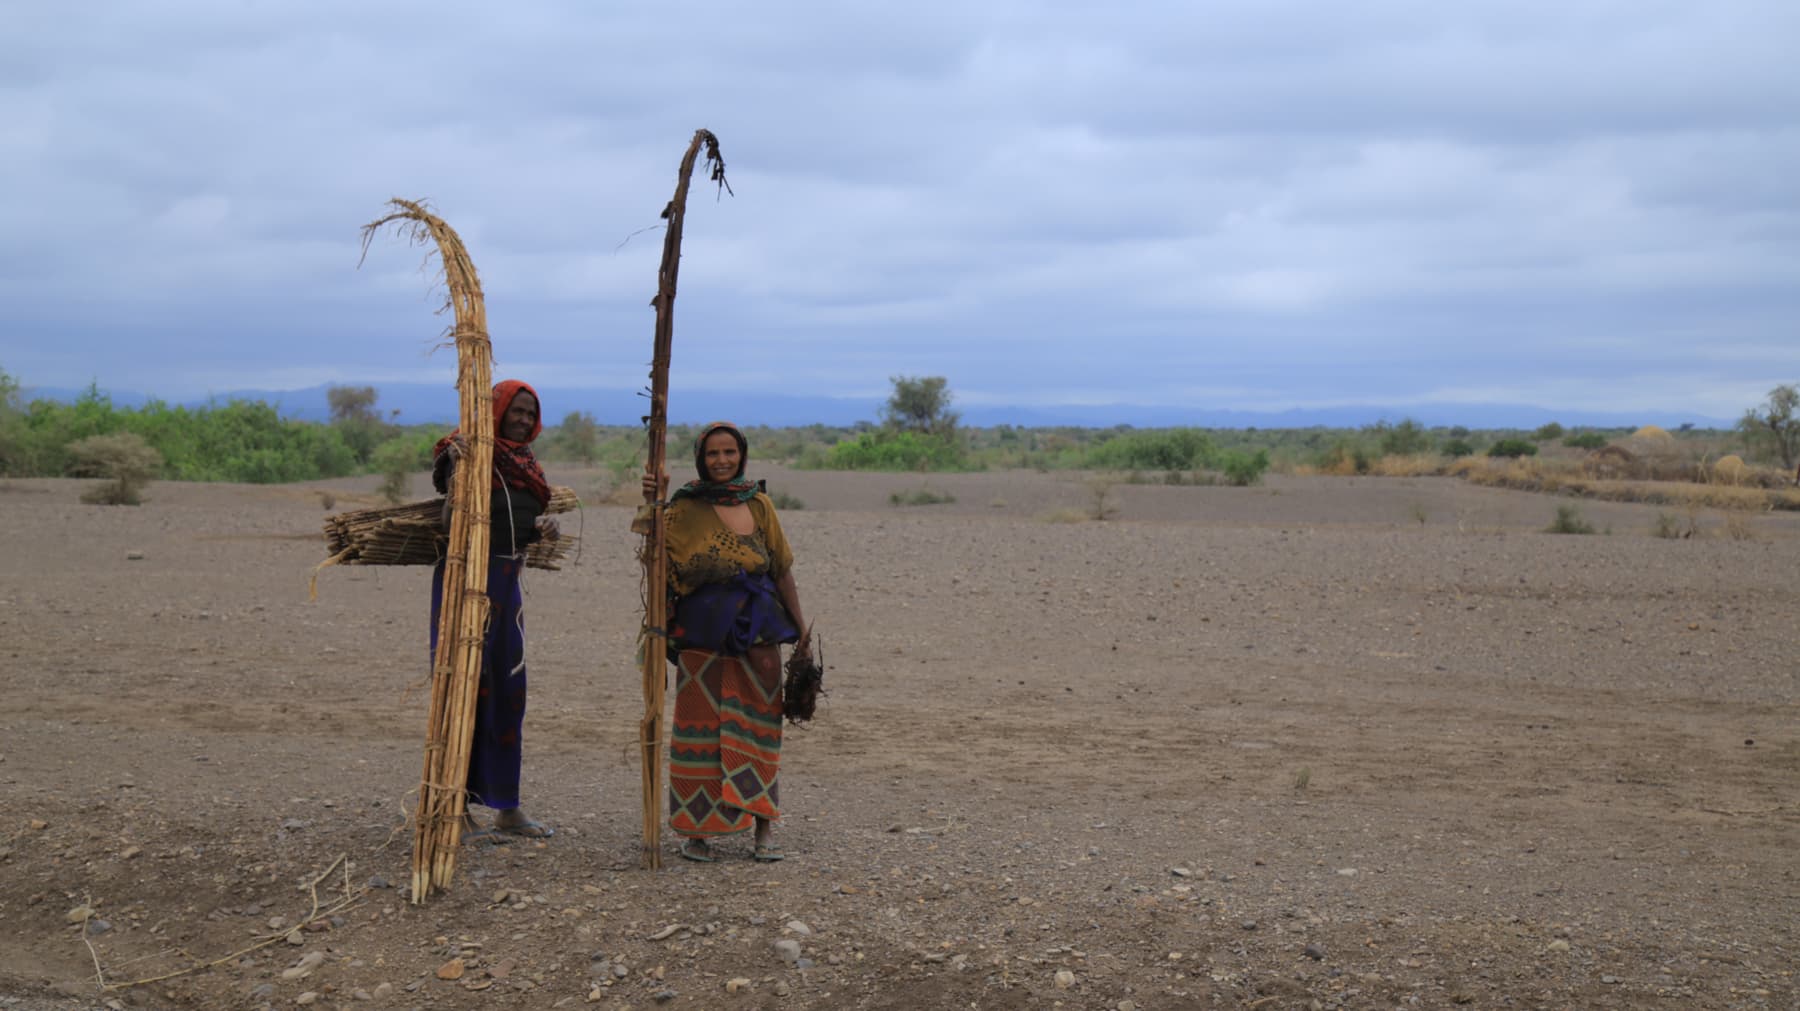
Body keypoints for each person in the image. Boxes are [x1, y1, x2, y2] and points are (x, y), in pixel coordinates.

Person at [639, 421, 808, 863]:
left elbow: (782, 569)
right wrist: (653, 497)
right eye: (713, 453)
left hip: (758, 628)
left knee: (760, 725)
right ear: (700, 457)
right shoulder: (682, 508)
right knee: (699, 729)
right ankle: (698, 833)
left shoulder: (760, 504)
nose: (722, 461)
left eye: (729, 452)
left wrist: (802, 628)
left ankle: (763, 830)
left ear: (742, 455)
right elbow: (652, 551)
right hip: (701, 630)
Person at [430, 379, 560, 844]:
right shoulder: (464, 454)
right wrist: (464, 470)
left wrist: (544, 529)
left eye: (531, 412)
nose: (524, 419)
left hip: (507, 588)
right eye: (517, 410)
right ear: (498, 409)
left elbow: (520, 529)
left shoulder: (525, 464)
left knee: (508, 694)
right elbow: (450, 522)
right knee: (464, 690)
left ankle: (507, 807)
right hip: (466, 584)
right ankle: (454, 808)